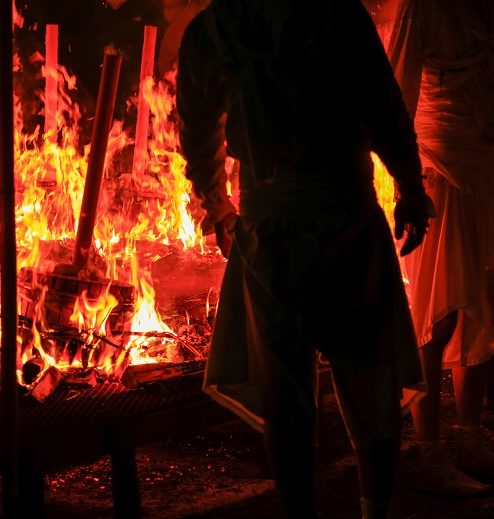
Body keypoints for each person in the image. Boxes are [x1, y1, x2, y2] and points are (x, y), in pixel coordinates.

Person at [176, 1, 434, 518]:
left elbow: (197, 135)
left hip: (274, 234)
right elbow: (382, 108)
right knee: (368, 380)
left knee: (286, 400)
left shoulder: (213, 28)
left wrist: (219, 207)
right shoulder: (337, 15)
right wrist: (408, 186)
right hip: (346, 223)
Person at [387, 0, 494, 497]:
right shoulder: (420, 8)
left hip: (485, 166)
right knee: (437, 311)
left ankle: (469, 435)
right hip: (439, 168)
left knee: (484, 302)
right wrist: (408, 185)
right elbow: (394, 99)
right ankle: (428, 448)